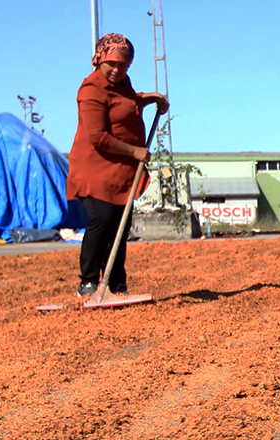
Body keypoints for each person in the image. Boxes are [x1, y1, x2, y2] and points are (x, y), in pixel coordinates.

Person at [66, 33, 169, 297]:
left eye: (123, 65)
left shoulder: (124, 85)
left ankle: (115, 283)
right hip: (94, 168)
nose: (117, 70)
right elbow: (98, 137)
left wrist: (150, 99)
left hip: (121, 172)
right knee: (101, 219)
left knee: (120, 226)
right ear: (99, 59)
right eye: (112, 64)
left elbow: (129, 102)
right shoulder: (91, 90)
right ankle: (88, 282)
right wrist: (135, 151)